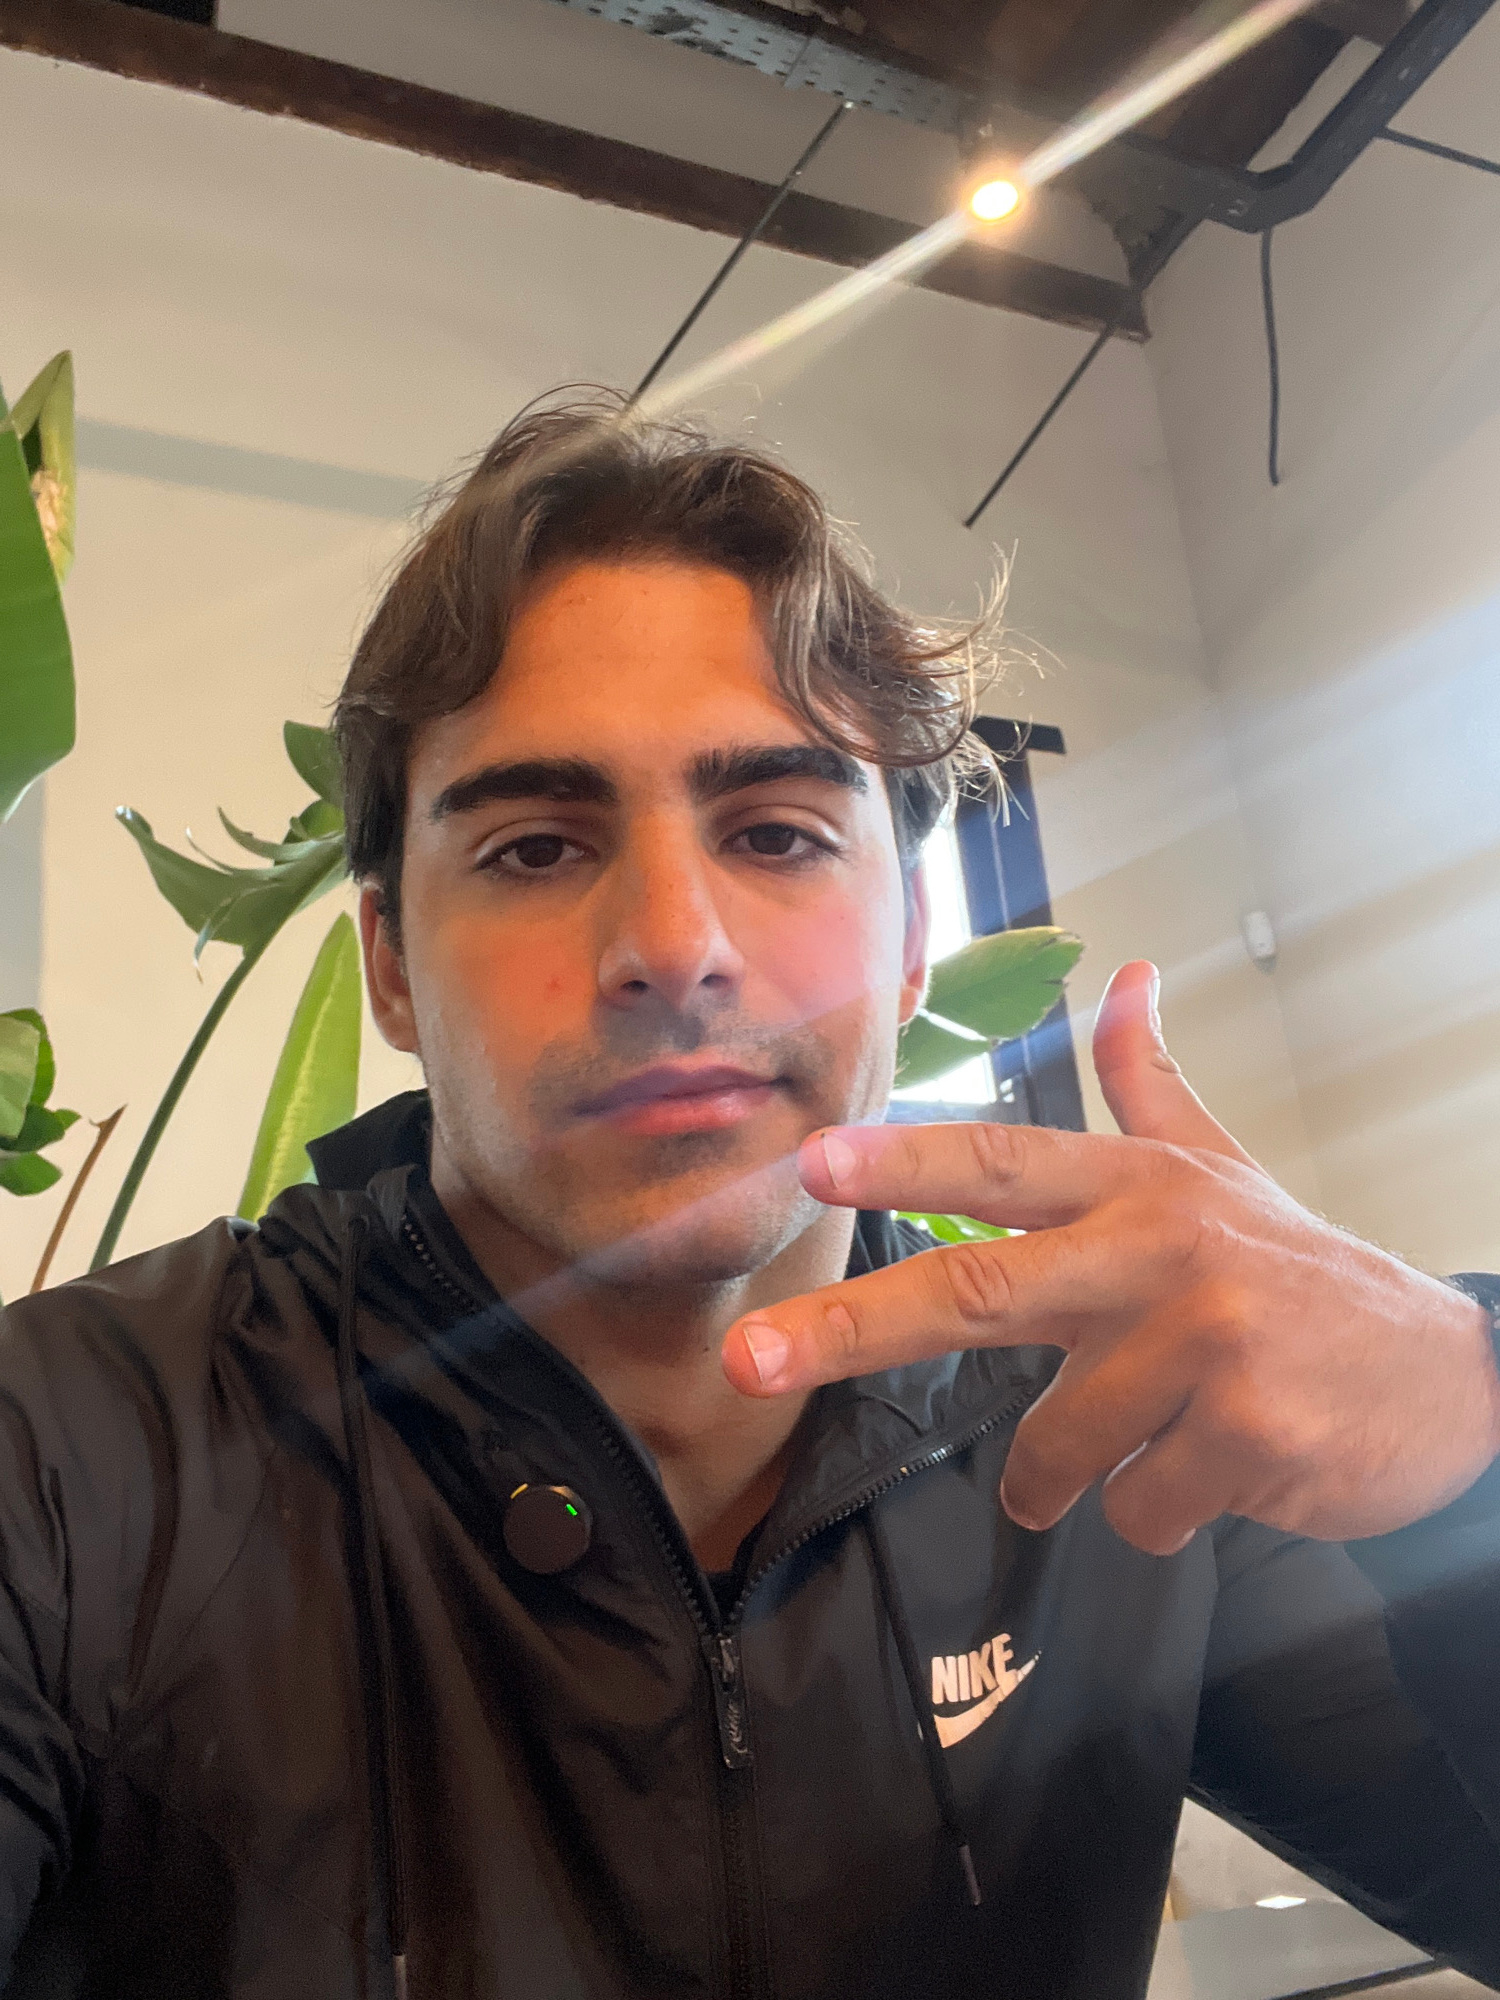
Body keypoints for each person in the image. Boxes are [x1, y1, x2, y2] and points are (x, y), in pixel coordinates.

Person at [1, 393, 1498, 2000]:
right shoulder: (72, 1451)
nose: (674, 945)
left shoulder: (1114, 1431)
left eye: (777, 833)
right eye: (533, 849)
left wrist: (1475, 1435)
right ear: (393, 968)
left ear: (910, 944)